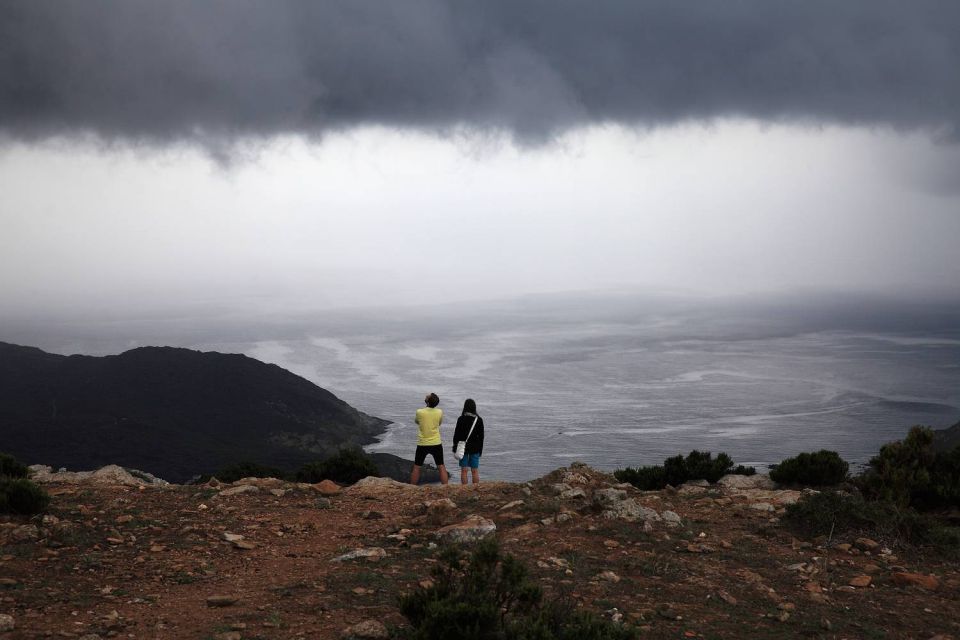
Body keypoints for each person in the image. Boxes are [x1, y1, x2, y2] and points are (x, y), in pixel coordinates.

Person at [410, 392, 449, 485]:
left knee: (417, 467)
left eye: (427, 396)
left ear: (427, 401)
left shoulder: (419, 412)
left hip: (422, 443)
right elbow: (439, 423)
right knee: (441, 466)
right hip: (436, 442)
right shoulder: (439, 412)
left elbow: (417, 421)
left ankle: (411, 488)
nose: (426, 396)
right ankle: (446, 488)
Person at [452, 398, 484, 485]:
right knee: (474, 470)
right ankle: (475, 488)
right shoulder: (479, 420)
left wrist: (455, 447)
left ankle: (464, 489)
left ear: (465, 407)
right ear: (474, 407)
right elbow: (481, 437)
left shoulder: (461, 419)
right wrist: (480, 450)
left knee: (464, 470)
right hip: (475, 448)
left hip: (463, 447)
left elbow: (456, 435)